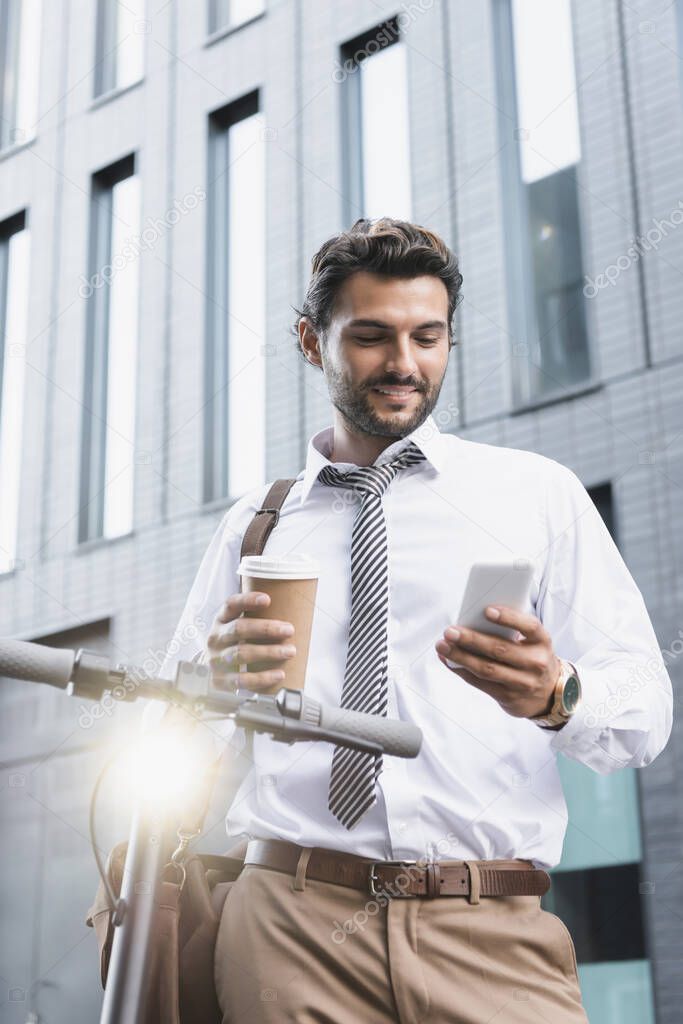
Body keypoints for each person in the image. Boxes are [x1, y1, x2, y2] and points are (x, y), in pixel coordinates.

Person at [158, 218, 673, 1023]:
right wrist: (207, 690)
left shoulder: (532, 496)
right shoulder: (257, 522)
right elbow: (169, 744)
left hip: (492, 929)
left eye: (427, 337)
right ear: (308, 340)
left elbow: (644, 712)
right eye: (370, 337)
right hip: (291, 928)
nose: (403, 364)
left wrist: (557, 694)